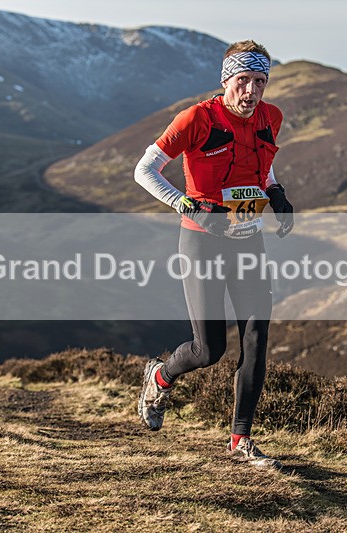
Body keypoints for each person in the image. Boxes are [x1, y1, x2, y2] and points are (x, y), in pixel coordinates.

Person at [134, 40, 294, 468]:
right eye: (243, 81)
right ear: (226, 81)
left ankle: (240, 440)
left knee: (257, 339)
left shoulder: (270, 117)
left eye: (260, 82)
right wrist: (187, 204)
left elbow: (262, 160)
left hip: (247, 238)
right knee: (209, 350)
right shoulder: (197, 119)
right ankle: (160, 376)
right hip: (201, 240)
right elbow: (144, 170)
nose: (252, 92)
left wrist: (275, 193)